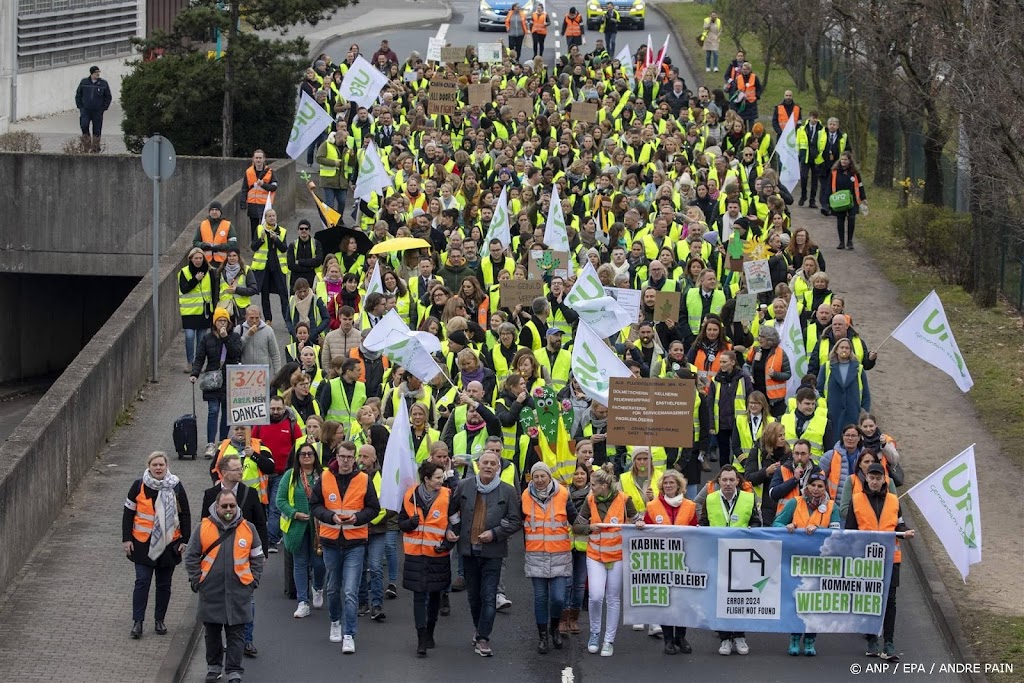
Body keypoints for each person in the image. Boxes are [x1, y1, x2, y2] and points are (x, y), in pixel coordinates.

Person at [185, 489, 265, 683]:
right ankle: (214, 668)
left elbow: (258, 557)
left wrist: (253, 581)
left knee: (236, 635)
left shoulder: (249, 528)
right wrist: (197, 580)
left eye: (232, 505)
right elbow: (191, 556)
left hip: (239, 591)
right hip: (211, 591)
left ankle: (234, 671)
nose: (229, 509)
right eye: (225, 506)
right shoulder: (203, 527)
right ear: (217, 507)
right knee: (212, 634)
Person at [309, 440, 381, 654]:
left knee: (350, 590)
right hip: (330, 541)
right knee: (332, 588)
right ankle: (334, 622)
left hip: (355, 542)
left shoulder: (363, 479)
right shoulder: (325, 477)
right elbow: (314, 505)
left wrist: (356, 518)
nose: (346, 461)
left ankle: (349, 634)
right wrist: (330, 516)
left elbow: (373, 508)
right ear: (336, 457)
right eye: (342, 457)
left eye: (350, 457)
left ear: (355, 458)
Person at [454, 449, 523, 657]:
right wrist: (453, 531)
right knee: (474, 597)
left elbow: (515, 521)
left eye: (493, 463)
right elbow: (452, 512)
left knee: (489, 596)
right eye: (485, 462)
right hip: (468, 552)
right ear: (478, 465)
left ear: (498, 468)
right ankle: (479, 629)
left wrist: (495, 533)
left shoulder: (507, 490)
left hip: (493, 553)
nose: (489, 466)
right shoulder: (464, 486)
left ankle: (483, 638)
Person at [846, 463, 915, 661]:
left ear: (884, 480)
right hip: (866, 558)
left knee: (890, 600)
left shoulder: (894, 500)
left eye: (878, 478)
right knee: (869, 599)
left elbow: (899, 523)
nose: (875, 482)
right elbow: (850, 529)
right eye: (872, 478)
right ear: (866, 479)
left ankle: (889, 642)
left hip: (890, 557)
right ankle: (871, 638)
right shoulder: (856, 500)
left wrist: (906, 531)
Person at [573, 467, 643, 657]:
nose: (591, 487)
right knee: (595, 596)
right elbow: (577, 527)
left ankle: (608, 640)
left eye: (593, 485)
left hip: (617, 556)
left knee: (613, 598)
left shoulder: (625, 499)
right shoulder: (589, 500)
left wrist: (638, 523)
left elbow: (639, 522)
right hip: (595, 554)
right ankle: (595, 633)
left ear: (604, 486)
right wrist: (589, 527)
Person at [123, 452, 190, 639]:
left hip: (169, 545)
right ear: (149, 466)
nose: (158, 468)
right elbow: (128, 514)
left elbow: (185, 514)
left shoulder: (176, 486)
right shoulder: (138, 486)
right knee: (142, 583)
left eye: (161, 464)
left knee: (164, 585)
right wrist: (126, 539)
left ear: (167, 466)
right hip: (142, 546)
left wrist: (185, 539)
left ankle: (159, 620)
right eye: (155, 465)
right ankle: (138, 622)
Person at [773, 471, 840, 656]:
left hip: (820, 562)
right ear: (807, 487)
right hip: (796, 560)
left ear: (825, 488)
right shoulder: (795, 502)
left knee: (814, 603)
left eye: (820, 486)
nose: (816, 489)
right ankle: (794, 637)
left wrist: (819, 530)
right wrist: (789, 526)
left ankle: (810, 639)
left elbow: (836, 532)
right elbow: (775, 524)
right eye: (813, 485)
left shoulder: (832, 506)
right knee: (796, 600)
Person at [399, 460, 462, 656]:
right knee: (419, 596)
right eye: (436, 478)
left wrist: (449, 543)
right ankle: (421, 638)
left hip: (437, 553)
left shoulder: (448, 496)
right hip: (415, 555)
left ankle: (430, 633)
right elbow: (401, 522)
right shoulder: (410, 495)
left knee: (435, 595)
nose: (440, 481)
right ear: (426, 479)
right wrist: (409, 523)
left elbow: (456, 524)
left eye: (441, 477)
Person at [699, 465, 761, 655]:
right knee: (721, 598)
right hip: (717, 554)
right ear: (718, 481)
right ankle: (725, 638)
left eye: (731, 480)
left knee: (741, 597)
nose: (727, 484)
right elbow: (703, 523)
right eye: (724, 480)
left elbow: (756, 522)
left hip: (741, 555)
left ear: (737, 482)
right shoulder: (709, 499)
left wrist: (752, 530)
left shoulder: (748, 498)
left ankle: (740, 636)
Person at [522, 462, 577, 654]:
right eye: (535, 477)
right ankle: (543, 636)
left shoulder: (563, 494)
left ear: (549, 477)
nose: (539, 480)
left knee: (558, 598)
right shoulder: (525, 496)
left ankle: (554, 628)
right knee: (540, 598)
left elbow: (575, 520)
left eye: (542, 476)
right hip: (536, 554)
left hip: (559, 554)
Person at [643, 470, 696, 655]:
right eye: (665, 483)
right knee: (665, 601)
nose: (668, 486)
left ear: (679, 485)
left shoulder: (690, 506)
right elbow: (646, 534)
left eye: (671, 483)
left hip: (683, 560)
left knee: (682, 601)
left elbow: (695, 530)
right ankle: (668, 640)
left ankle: (680, 637)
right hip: (662, 561)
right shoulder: (652, 506)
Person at [276, 442, 327, 619]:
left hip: (319, 527)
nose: (306, 457)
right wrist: (294, 513)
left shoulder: (323, 475)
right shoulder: (290, 476)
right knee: (300, 563)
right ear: (297, 457)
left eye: (309, 454)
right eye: (303, 454)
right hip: (297, 527)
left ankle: (318, 587)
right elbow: (280, 500)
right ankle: (303, 602)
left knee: (319, 563)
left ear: (315, 457)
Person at [252, 395, 302, 551]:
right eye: (272, 408)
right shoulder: (259, 424)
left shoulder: (292, 424)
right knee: (262, 508)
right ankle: (267, 535)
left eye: (278, 408)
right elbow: (253, 442)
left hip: (282, 473)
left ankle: (271, 540)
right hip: (261, 474)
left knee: (275, 506)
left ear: (284, 407)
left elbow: (299, 445)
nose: (275, 411)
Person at [192, 308, 244, 456]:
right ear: (214, 322)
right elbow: (200, 356)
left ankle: (222, 442)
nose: (222, 323)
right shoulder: (207, 338)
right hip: (213, 379)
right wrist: (195, 373)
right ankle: (210, 443)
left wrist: (225, 338)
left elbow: (236, 353)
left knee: (227, 413)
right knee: (213, 411)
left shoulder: (234, 336)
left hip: (230, 379)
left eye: (225, 321)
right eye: (220, 320)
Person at [562, 463, 591, 637]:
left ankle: (573, 618)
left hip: (585, 543)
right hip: (565, 542)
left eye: (582, 473)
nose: (579, 476)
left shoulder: (593, 496)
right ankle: (563, 618)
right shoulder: (563, 493)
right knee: (566, 582)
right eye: (576, 473)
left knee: (579, 584)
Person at [817, 338, 870, 430]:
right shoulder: (826, 367)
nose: (844, 350)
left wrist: (864, 412)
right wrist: (823, 410)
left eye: (847, 348)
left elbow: (866, 393)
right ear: (836, 350)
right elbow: (819, 390)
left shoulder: (859, 369)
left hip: (852, 413)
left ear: (850, 351)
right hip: (831, 413)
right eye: (842, 347)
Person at [250, 208, 290, 325]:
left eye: (274, 216)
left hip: (278, 267)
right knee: (265, 294)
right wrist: (262, 239)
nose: (272, 218)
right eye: (270, 216)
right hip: (263, 268)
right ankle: (268, 319)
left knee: (283, 294)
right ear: (265, 218)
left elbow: (283, 248)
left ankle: (287, 320)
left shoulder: (281, 231)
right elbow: (253, 247)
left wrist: (276, 239)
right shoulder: (259, 229)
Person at [179, 247, 214, 372]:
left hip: (204, 311)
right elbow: (184, 288)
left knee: (201, 340)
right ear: (191, 259)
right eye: (196, 258)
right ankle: (190, 362)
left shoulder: (209, 272)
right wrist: (195, 280)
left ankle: (198, 364)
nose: (198, 261)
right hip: (189, 312)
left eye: (200, 258)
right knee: (189, 336)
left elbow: (214, 291)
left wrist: (214, 309)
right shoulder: (184, 272)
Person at [829, 151, 867, 250]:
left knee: (851, 218)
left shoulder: (854, 173)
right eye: (842, 159)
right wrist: (827, 201)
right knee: (840, 220)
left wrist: (863, 198)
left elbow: (860, 185)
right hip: (839, 200)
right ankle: (841, 242)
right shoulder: (834, 172)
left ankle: (850, 241)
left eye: (845, 159)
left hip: (852, 200)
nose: (843, 161)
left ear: (850, 161)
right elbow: (829, 187)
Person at [241, 150, 278, 241]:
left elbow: (274, 187)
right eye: (256, 158)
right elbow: (244, 188)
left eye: (260, 158)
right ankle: (255, 247)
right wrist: (243, 202)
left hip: (265, 205)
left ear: (264, 159)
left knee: (266, 226)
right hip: (252, 204)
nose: (258, 160)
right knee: (254, 228)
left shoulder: (269, 172)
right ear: (253, 159)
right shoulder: (248, 172)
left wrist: (263, 185)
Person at [236, 306, 282, 377]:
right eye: (251, 318)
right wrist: (247, 335)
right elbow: (235, 349)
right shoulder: (239, 329)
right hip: (244, 373)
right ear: (246, 317)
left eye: (257, 318)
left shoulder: (268, 330)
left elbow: (275, 354)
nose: (254, 321)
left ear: (260, 317)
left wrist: (277, 373)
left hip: (262, 373)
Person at [75, 65, 112, 152]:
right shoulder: (84, 82)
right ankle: (87, 145)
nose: (98, 74)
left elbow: (108, 97)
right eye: (96, 72)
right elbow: (78, 94)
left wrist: (103, 108)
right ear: (91, 73)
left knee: (97, 129)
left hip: (97, 111)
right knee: (84, 125)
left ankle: (95, 147)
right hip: (86, 110)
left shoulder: (103, 83)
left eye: (98, 72)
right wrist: (80, 106)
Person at [193, 201, 237, 267]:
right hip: (206, 262)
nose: (214, 212)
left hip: (223, 263)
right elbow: (195, 242)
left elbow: (233, 243)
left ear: (220, 212)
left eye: (216, 210)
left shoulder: (227, 225)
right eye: (212, 210)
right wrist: (202, 245)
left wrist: (220, 247)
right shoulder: (203, 225)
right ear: (209, 212)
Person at [286, 220, 325, 291]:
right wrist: (310, 267)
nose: (304, 230)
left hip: (312, 280)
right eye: (301, 229)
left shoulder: (316, 244)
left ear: (309, 230)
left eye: (306, 229)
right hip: (296, 280)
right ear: (298, 230)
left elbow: (318, 261)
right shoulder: (292, 245)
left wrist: (300, 262)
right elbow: (291, 265)